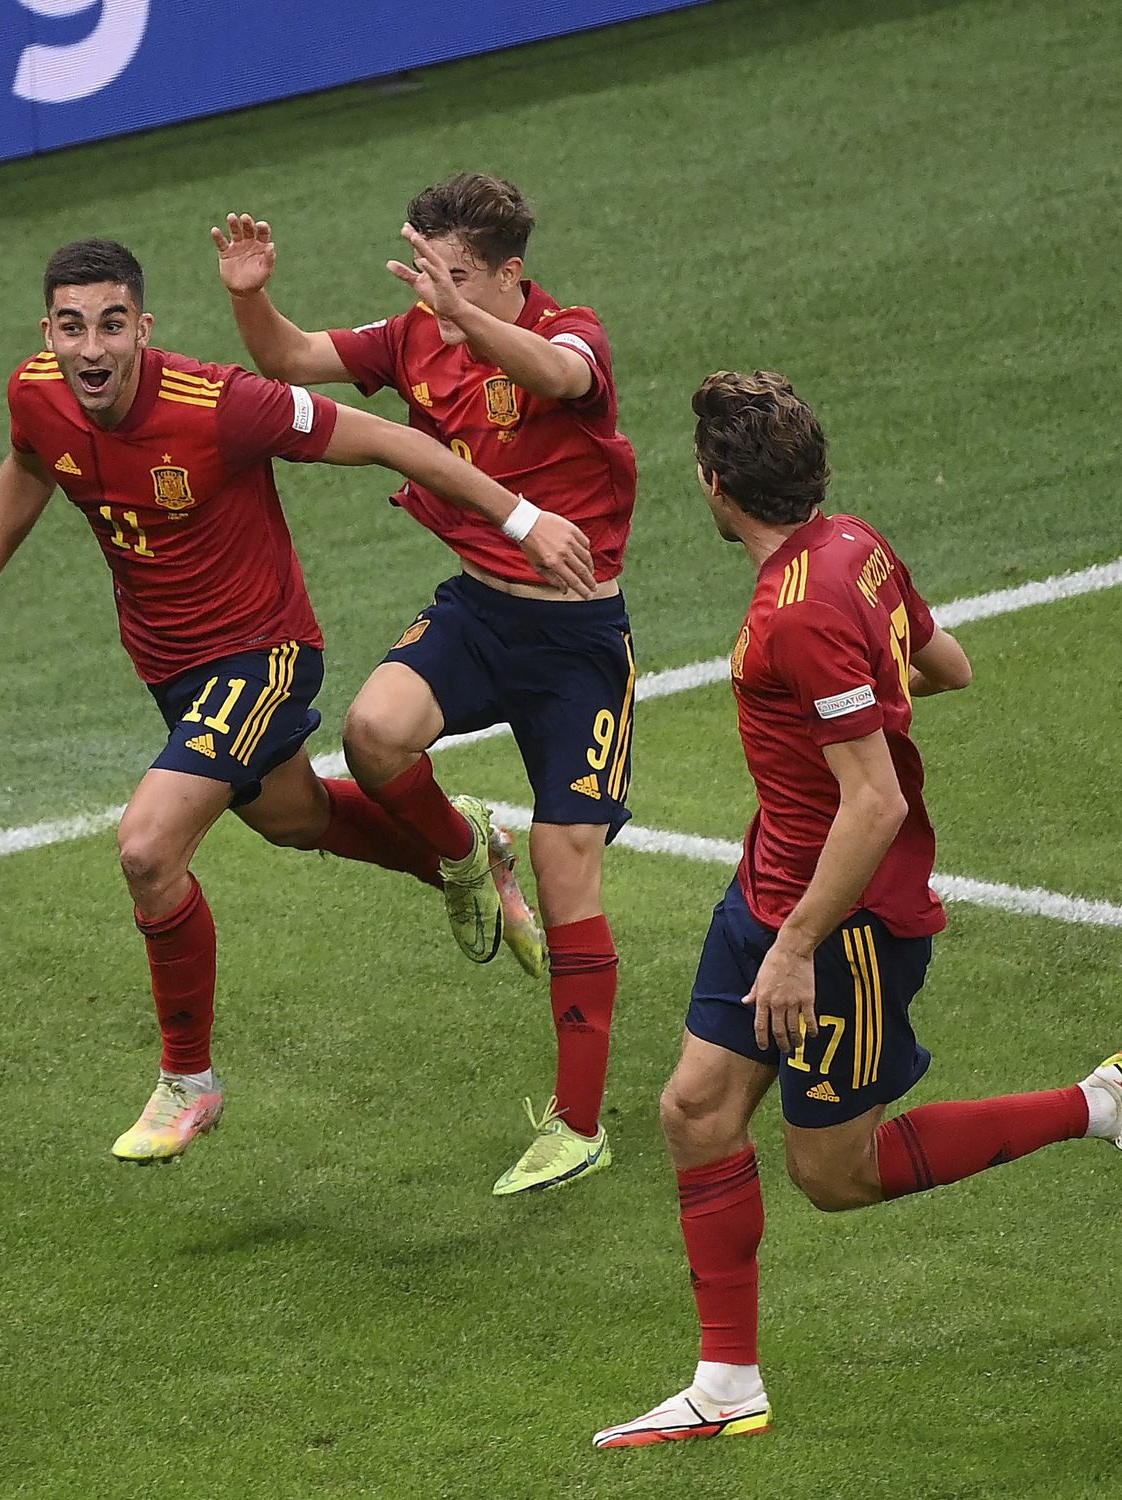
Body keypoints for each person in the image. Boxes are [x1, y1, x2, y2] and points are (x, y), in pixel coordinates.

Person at [0, 236, 595, 1165]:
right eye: (72, 328)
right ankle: (463, 850)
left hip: (261, 656)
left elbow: (389, 438)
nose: (91, 349)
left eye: (111, 325)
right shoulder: (37, 391)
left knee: (148, 849)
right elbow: (30, 459)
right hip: (170, 667)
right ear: (47, 333)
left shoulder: (221, 404)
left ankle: (189, 1081)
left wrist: (520, 516)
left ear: (143, 328)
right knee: (295, 819)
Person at [593, 371, 1122, 1448]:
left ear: (716, 485)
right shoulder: (851, 545)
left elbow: (874, 800)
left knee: (837, 1174)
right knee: (694, 1112)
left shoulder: (799, 612)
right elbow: (946, 662)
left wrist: (798, 946)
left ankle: (1103, 1102)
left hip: (843, 925)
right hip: (773, 885)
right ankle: (726, 1384)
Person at [216, 174, 638, 1195]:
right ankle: (461, 853)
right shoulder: (411, 333)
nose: (436, 293)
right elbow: (289, 359)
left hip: (580, 647)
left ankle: (579, 1124)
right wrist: (248, 295)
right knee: (373, 731)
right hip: (479, 615)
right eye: (429, 271)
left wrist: (465, 321)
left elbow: (560, 375)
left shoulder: (569, 335)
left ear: (510, 275)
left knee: (566, 865)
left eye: (460, 277)